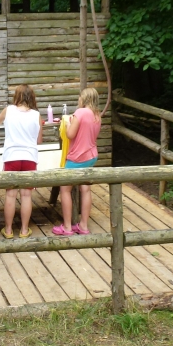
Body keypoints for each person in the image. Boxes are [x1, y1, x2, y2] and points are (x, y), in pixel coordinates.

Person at [0, 85, 43, 239]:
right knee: (26, 195)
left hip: (11, 156)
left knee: (11, 195)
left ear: (17, 96)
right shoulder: (36, 115)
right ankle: (24, 230)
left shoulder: (8, 110)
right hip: (29, 157)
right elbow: (39, 141)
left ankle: (8, 230)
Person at [53, 88, 103, 236]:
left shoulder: (80, 113)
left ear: (84, 99)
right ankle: (83, 226)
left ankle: (67, 227)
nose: (78, 99)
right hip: (91, 156)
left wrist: (68, 124)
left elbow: (70, 134)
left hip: (77, 158)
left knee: (65, 189)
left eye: (80, 97)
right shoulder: (97, 115)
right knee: (85, 189)